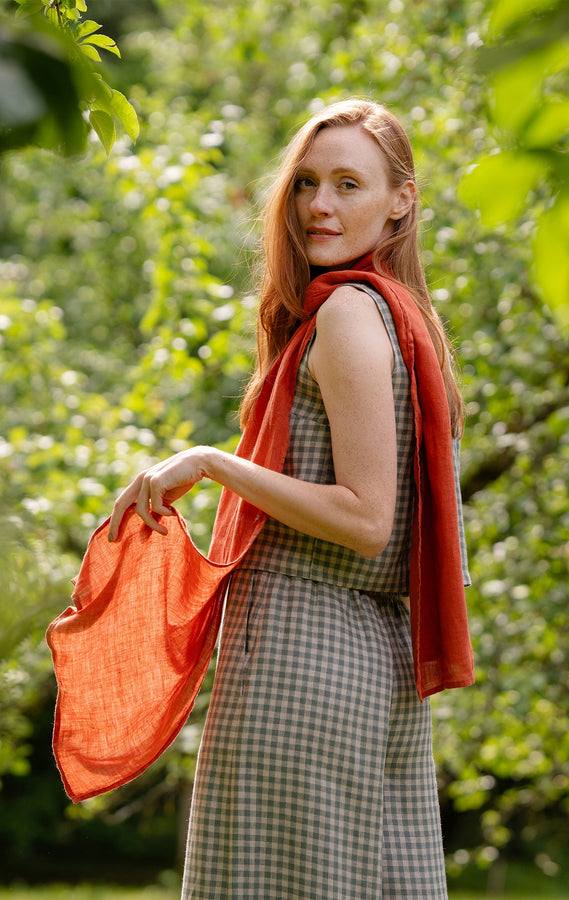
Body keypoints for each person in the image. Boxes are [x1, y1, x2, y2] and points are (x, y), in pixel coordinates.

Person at [56, 98, 473, 899]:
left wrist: (212, 462)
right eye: (308, 183)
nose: (320, 205)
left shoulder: (349, 315)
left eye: (349, 183)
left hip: (305, 654)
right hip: (363, 658)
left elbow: (364, 518)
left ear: (402, 199)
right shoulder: (398, 315)